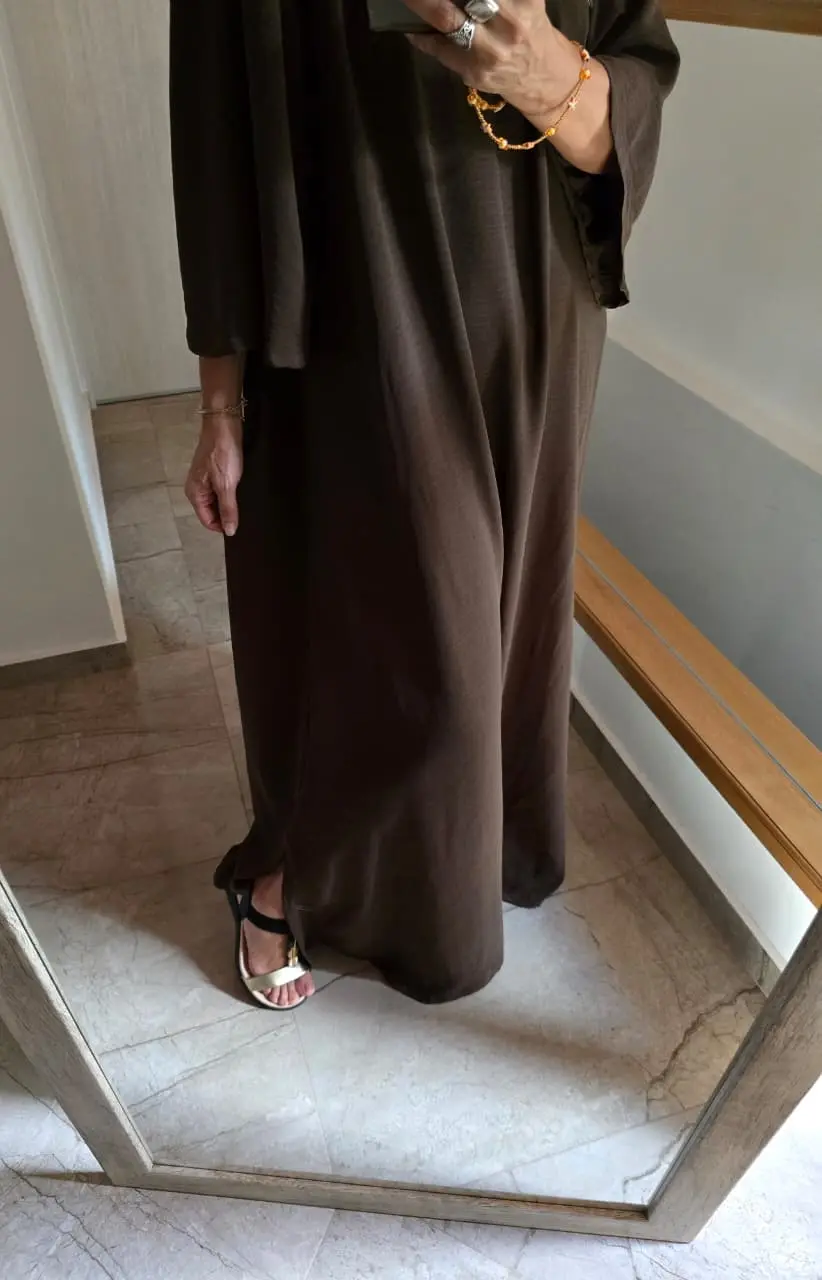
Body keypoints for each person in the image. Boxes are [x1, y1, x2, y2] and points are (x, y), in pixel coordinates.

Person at [170, 0, 679, 1010]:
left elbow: (630, 95)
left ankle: (474, 848)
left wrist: (542, 73)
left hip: (541, 303)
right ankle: (292, 873)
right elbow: (213, 147)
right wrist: (220, 401)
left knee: (516, 618)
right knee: (414, 639)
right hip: (351, 300)